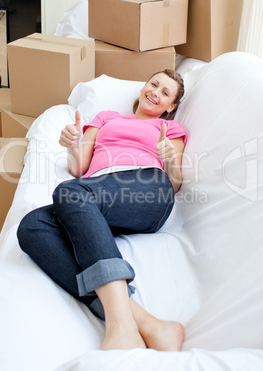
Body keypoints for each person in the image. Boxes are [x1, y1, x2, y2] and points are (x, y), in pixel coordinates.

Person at [17, 69, 187, 351]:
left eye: (165, 93)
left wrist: (170, 161)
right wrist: (73, 146)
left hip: (146, 189)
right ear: (144, 86)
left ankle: (121, 326)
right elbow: (79, 168)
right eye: (153, 84)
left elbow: (174, 184)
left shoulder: (169, 131)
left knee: (71, 192)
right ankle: (149, 324)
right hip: (97, 193)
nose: (155, 92)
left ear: (171, 107)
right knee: (32, 226)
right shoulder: (107, 117)